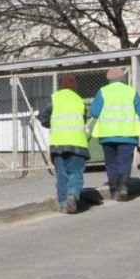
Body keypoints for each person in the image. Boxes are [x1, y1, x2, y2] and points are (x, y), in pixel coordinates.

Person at [90, 67, 140, 202]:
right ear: (123, 79)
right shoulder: (131, 92)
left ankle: (114, 189)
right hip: (128, 134)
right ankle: (123, 187)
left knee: (111, 163)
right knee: (124, 161)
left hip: (107, 134)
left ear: (109, 80)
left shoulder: (103, 91)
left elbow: (94, 112)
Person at [39, 74, 91, 214]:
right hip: (78, 143)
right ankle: (72, 194)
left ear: (61, 85)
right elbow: (83, 120)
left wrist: (52, 123)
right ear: (75, 86)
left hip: (58, 144)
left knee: (62, 175)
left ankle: (63, 204)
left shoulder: (54, 98)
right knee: (75, 173)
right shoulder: (80, 101)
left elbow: (43, 116)